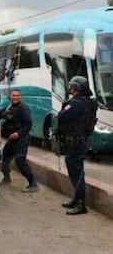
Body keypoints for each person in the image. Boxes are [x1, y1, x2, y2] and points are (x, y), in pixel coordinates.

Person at [57, 76, 97, 216]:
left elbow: (61, 116)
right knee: (75, 170)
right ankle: (77, 198)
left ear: (77, 89)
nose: (70, 89)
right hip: (79, 141)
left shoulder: (76, 103)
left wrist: (63, 108)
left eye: (72, 86)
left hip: (76, 142)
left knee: (77, 172)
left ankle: (81, 204)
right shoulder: (85, 102)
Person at [0, 89, 39, 192]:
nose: (15, 97)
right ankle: (6, 178)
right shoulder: (9, 107)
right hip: (12, 139)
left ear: (20, 97)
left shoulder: (23, 108)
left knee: (20, 160)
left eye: (17, 95)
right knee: (3, 158)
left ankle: (33, 184)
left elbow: (28, 125)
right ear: (10, 96)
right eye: (14, 95)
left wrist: (18, 134)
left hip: (21, 139)